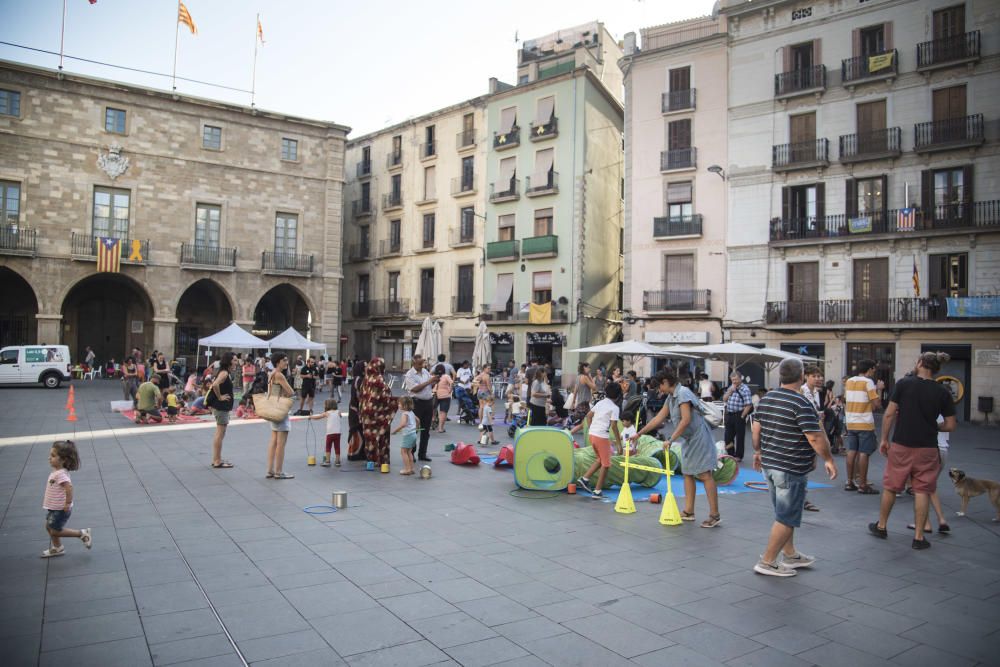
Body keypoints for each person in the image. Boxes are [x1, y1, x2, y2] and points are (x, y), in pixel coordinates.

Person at [751, 358, 837, 577]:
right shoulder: (801, 403)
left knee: (783, 513)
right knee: (787, 516)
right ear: (801, 377)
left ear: (780, 376)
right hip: (789, 467)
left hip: (770, 465)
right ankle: (768, 561)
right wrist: (828, 459)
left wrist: (758, 451)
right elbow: (815, 438)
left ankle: (789, 554)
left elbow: (756, 429)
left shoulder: (768, 397)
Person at [869, 352, 956, 550]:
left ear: (919, 363)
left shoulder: (903, 384)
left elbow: (889, 414)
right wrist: (934, 426)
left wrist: (884, 439)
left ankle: (881, 526)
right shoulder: (942, 392)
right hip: (927, 447)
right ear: (936, 369)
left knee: (891, 486)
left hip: (901, 444)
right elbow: (950, 425)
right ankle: (918, 537)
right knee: (922, 490)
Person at [632, 369, 722, 528]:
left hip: (699, 436)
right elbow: (659, 417)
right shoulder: (671, 397)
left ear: (666, 382)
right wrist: (639, 433)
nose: (659, 390)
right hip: (689, 438)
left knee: (704, 474)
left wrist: (671, 439)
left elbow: (686, 420)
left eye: (659, 386)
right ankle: (689, 511)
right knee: (687, 473)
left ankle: (714, 515)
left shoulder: (683, 394)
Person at [41, 440, 93, 558]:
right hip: (54, 508)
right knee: (49, 527)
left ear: (63, 460)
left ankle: (82, 534)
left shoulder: (61, 474)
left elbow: (69, 487)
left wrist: (68, 503)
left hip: (60, 509)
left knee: (54, 530)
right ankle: (57, 547)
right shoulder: (57, 471)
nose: (49, 458)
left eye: (53, 456)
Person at [571, 382, 623, 498]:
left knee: (600, 459)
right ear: (619, 395)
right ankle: (597, 491)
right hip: (601, 436)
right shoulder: (615, 408)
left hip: (592, 435)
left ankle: (585, 479)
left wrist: (591, 428)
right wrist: (619, 445)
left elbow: (588, 416)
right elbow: (614, 426)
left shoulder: (600, 403)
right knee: (606, 464)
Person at [844, 359, 885, 494]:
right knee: (864, 453)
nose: (874, 372)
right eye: (874, 369)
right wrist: (879, 390)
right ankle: (863, 484)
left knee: (851, 451)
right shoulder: (868, 382)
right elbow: (877, 405)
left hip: (850, 421)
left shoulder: (849, 381)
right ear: (870, 369)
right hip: (864, 422)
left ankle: (849, 482)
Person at [359, 357, 397, 468]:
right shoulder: (379, 378)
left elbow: (361, 396)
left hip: (366, 414)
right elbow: (385, 396)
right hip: (379, 414)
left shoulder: (366, 379)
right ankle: (382, 460)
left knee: (370, 438)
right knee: (382, 437)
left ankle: (371, 460)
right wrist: (397, 401)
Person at [265, 353, 296, 480]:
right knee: (281, 443)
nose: (286, 362)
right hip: (280, 409)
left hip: (272, 408)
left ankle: (270, 470)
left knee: (273, 441)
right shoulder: (279, 375)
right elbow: (291, 392)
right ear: (278, 362)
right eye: (284, 360)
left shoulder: (272, 373)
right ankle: (279, 471)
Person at [404, 355, 436, 462]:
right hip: (416, 403)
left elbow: (429, 387)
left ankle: (423, 454)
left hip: (428, 402)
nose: (422, 365)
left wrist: (435, 382)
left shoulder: (425, 372)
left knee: (426, 430)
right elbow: (414, 389)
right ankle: (411, 454)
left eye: (422, 363)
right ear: (414, 363)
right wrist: (429, 382)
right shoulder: (410, 375)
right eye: (419, 363)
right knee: (414, 430)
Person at [208, 352, 235, 469]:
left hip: (222, 407)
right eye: (234, 360)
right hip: (221, 406)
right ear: (228, 361)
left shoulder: (225, 372)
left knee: (221, 433)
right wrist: (220, 397)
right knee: (220, 433)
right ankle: (217, 460)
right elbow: (215, 385)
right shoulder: (224, 373)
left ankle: (217, 458)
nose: (236, 362)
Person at [723, 372, 753, 461]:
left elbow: (748, 404)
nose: (734, 381)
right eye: (732, 380)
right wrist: (730, 391)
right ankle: (730, 454)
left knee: (740, 437)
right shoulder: (731, 387)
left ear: (740, 378)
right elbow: (724, 399)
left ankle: (738, 456)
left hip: (739, 415)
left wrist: (742, 416)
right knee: (728, 436)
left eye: (736, 379)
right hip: (729, 414)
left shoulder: (745, 389)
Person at [309, 398, 342, 467]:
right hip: (338, 433)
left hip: (330, 433)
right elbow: (340, 416)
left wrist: (311, 417)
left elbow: (318, 417)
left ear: (327, 406)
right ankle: (338, 461)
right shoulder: (338, 412)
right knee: (337, 446)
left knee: (328, 446)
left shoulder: (327, 413)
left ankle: (327, 461)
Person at [393, 396, 417, 475]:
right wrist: (416, 428)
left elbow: (403, 424)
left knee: (403, 452)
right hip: (413, 434)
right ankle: (411, 468)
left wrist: (395, 431)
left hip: (408, 435)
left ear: (405, 405)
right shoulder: (411, 413)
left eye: (399, 404)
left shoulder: (405, 414)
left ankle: (407, 469)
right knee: (409, 452)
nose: (398, 405)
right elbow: (418, 420)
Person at [434, 364, 453, 433]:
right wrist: (450, 390)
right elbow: (451, 382)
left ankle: (432, 421)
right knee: (443, 412)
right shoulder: (446, 376)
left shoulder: (433, 377)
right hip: (445, 396)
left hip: (435, 395)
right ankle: (440, 428)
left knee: (433, 409)